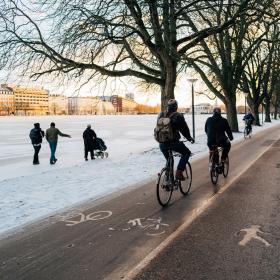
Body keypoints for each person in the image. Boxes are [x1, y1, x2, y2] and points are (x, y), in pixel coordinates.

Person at [157, 99, 194, 181]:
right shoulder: (178, 116)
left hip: (162, 144)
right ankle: (179, 172)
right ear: (176, 107)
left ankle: (168, 178)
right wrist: (189, 138)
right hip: (173, 143)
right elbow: (184, 129)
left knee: (169, 160)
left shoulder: (161, 114)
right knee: (186, 153)